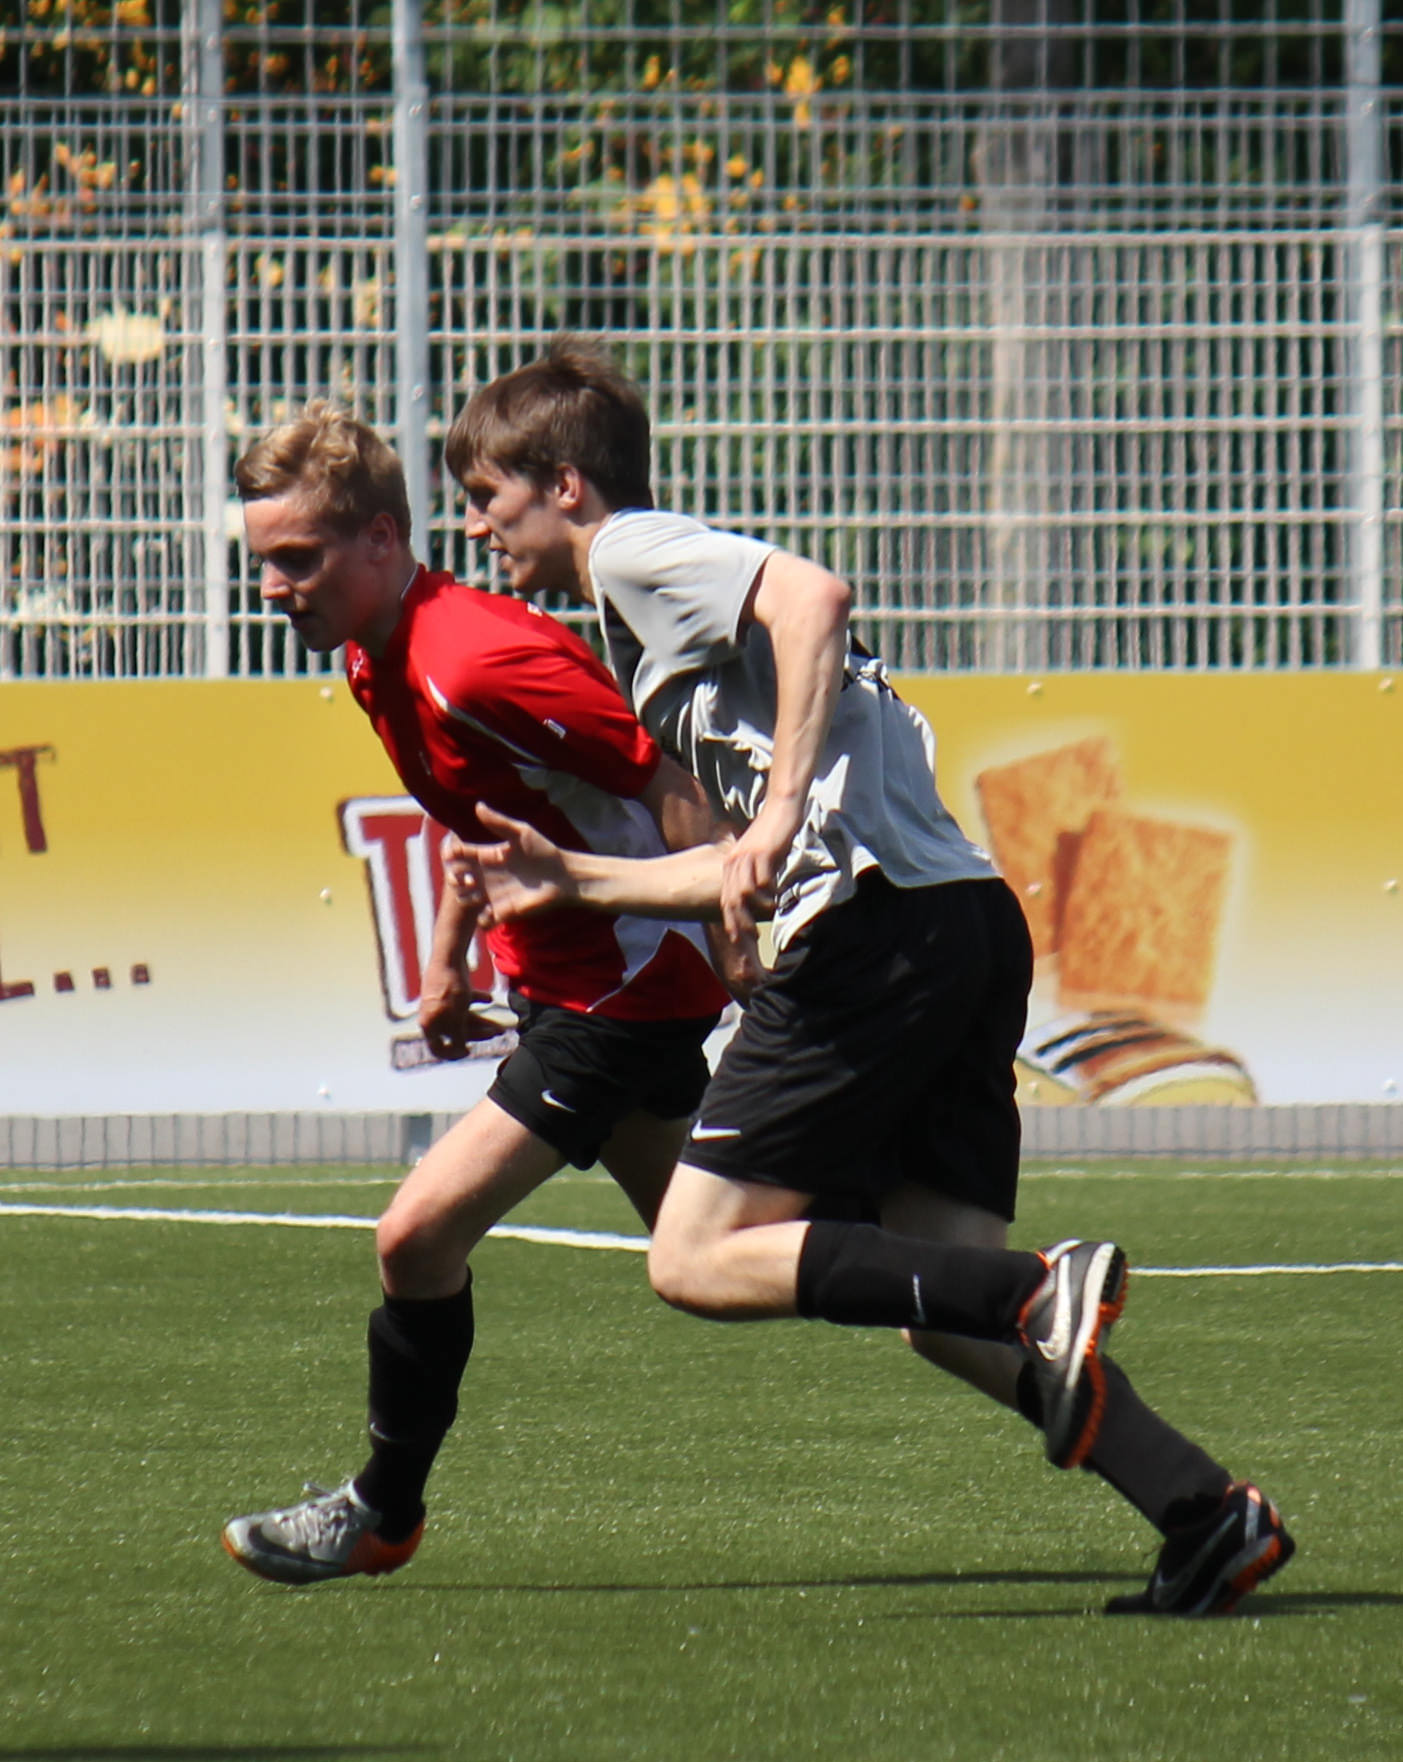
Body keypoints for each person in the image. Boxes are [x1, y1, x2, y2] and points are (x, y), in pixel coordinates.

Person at [435, 340, 1292, 1617]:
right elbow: (743, 855)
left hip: (874, 934)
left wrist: (779, 808)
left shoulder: (629, 551)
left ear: (564, 485)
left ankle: (1035, 1285)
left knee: (695, 1256)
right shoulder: (645, 613)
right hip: (959, 924)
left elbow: (815, 598)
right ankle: (1205, 1511)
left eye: (486, 494)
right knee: (945, 1312)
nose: (476, 524)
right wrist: (577, 879)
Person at [217, 402, 744, 1585]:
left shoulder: (475, 657)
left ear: (381, 539)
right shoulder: (377, 651)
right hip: (585, 993)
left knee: (415, 1235)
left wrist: (738, 948)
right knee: (730, 1257)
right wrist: (450, 956)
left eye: (296, 558)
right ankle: (1013, 1311)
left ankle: (380, 1513)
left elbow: (673, 785)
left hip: (620, 1000)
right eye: (263, 561)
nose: (273, 587)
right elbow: (483, 814)